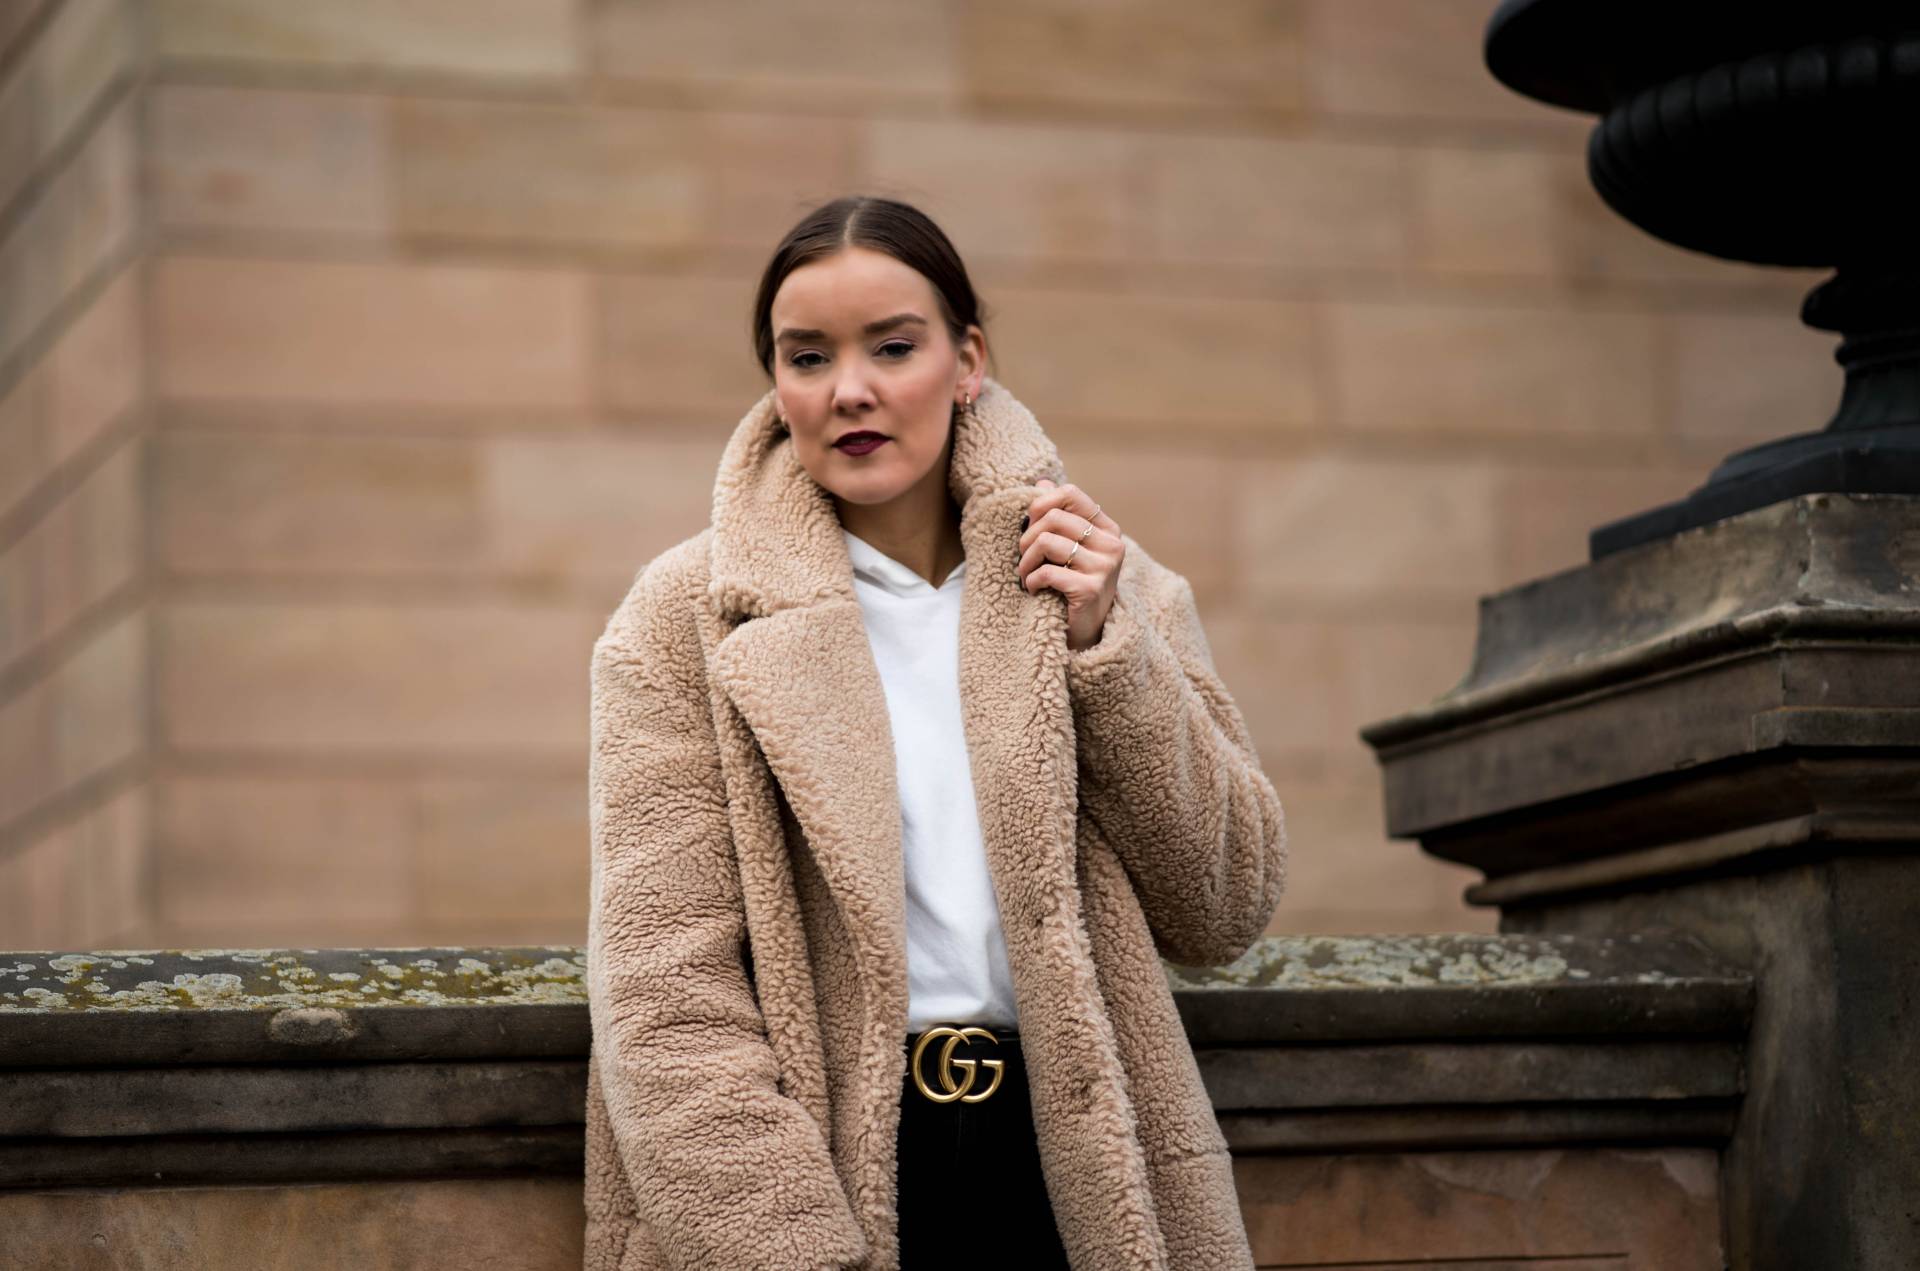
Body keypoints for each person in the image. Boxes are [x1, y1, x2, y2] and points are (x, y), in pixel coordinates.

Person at [583, 195, 1287, 1271]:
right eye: (806, 355)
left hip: (1076, 1168)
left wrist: (1110, 655)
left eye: (893, 346)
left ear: (969, 360)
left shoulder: (1105, 578)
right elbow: (665, 997)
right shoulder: (686, 617)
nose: (849, 389)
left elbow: (1226, 900)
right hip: (818, 1176)